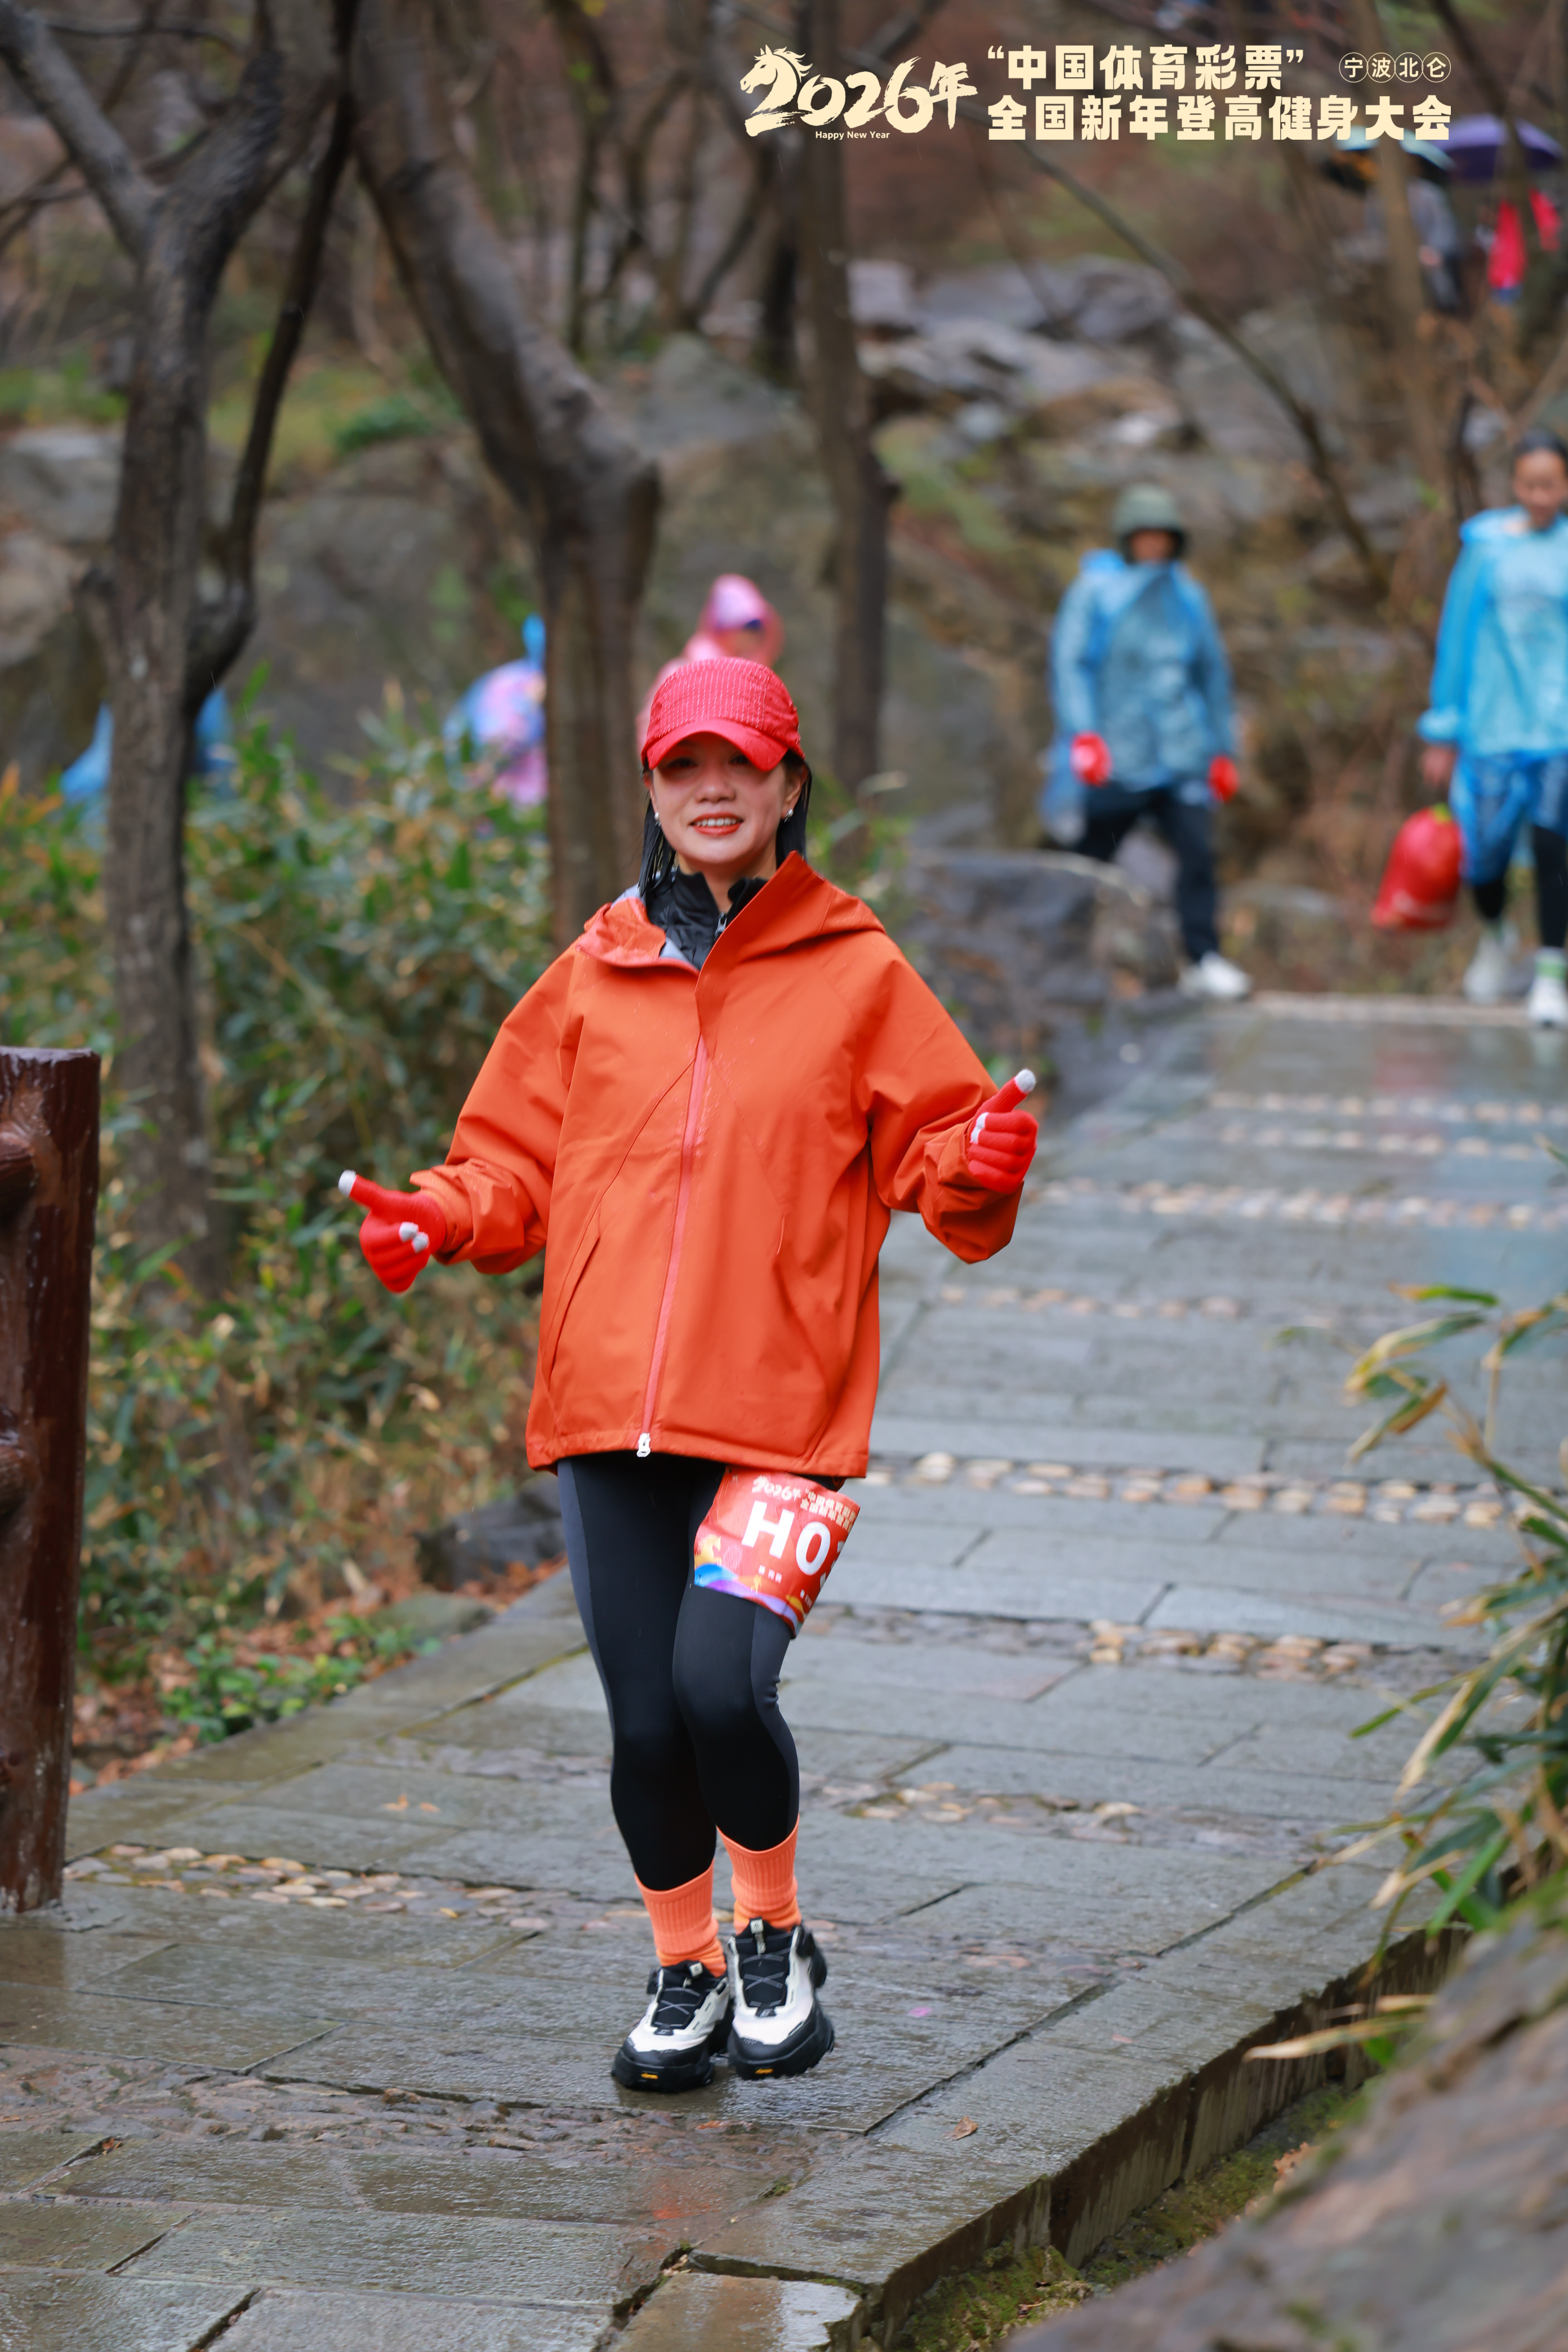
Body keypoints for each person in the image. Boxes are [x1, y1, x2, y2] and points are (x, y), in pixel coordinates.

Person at [338, 657, 1038, 2093]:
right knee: (645, 1716)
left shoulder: (857, 970)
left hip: (783, 1413)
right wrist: (434, 1215)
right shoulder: (590, 975)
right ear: (652, 789)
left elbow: (939, 1149)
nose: (711, 786)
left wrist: (979, 1159)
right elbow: (505, 1168)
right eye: (681, 765)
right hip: (609, 1409)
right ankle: (683, 1967)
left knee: (723, 1690)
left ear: (790, 786)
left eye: (742, 761)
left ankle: (773, 1935)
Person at [1045, 483, 1251, 1003]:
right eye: (1145, 536)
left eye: (1163, 537)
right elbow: (1071, 664)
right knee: (1095, 855)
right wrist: (1084, 732)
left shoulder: (1187, 596)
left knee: (1197, 853)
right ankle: (1065, 951)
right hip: (1120, 752)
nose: (1154, 546)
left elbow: (1212, 675)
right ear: (1128, 538)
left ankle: (1204, 955)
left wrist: (1223, 750)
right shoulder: (1096, 591)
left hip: (1181, 753)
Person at [1418, 427, 1568, 1027]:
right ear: (1514, 484)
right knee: (1486, 854)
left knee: (1557, 845)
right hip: (1491, 724)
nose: (1540, 495)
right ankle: (1496, 935)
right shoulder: (1484, 548)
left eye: (1551, 485)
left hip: (1558, 724)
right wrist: (1444, 727)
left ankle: (1552, 971)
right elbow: (1457, 636)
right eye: (1530, 484)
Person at [635, 573, 783, 750]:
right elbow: (649, 735)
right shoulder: (681, 672)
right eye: (747, 626)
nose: (752, 637)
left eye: (756, 628)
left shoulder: (750, 679)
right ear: (724, 626)